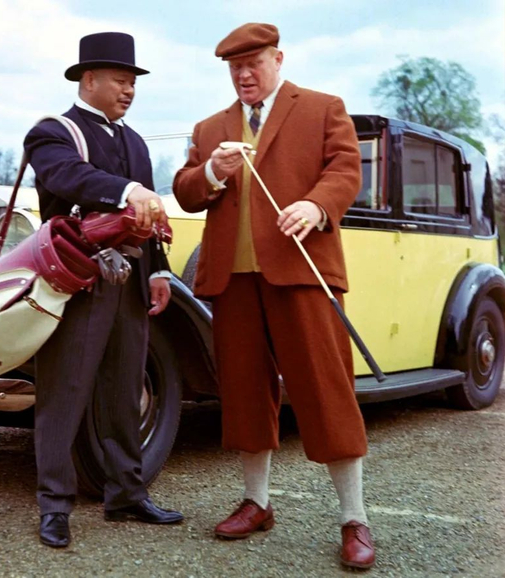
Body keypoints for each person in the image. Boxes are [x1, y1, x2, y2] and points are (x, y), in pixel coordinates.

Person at [173, 23, 375, 569]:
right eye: (234, 68)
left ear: (278, 60)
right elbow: (186, 192)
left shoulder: (324, 108)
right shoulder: (210, 128)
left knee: (326, 391)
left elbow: (345, 170)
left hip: (303, 274)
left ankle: (354, 518)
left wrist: (316, 205)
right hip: (232, 281)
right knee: (243, 391)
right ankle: (257, 503)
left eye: (254, 64)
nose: (244, 75)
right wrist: (211, 170)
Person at [24, 31, 183, 549]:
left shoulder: (135, 142)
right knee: (64, 391)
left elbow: (148, 217)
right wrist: (127, 189)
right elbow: (66, 177)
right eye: (119, 79)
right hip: (78, 279)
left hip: (131, 281)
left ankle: (126, 494)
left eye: (133, 81)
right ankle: (54, 505)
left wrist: (158, 271)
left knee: (124, 390)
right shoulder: (54, 132)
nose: (129, 90)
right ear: (88, 79)